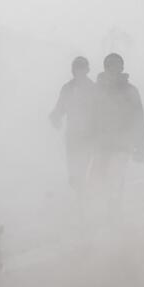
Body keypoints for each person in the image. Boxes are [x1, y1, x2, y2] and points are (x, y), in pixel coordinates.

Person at [88, 53, 144, 216]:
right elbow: (89, 117)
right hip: (101, 143)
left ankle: (112, 215)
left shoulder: (130, 91)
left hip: (122, 144)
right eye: (110, 66)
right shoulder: (97, 90)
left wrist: (141, 147)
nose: (113, 69)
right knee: (95, 180)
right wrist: (85, 141)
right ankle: (96, 214)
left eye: (116, 66)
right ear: (106, 68)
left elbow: (138, 118)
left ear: (121, 68)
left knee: (114, 178)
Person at [49, 56, 96, 194]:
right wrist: (55, 118)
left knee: (86, 166)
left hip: (89, 135)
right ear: (73, 71)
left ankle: (85, 192)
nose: (79, 72)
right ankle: (78, 192)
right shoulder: (68, 88)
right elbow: (59, 108)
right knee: (75, 168)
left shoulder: (93, 88)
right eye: (77, 69)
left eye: (82, 68)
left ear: (87, 70)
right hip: (73, 135)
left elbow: (99, 111)